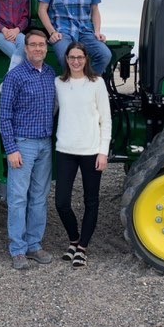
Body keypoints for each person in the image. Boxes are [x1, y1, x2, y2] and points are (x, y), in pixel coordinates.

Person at [0, 30, 57, 270]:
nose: (38, 49)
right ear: (26, 48)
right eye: (33, 45)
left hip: (45, 144)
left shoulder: (50, 74)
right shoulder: (16, 76)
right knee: (18, 197)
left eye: (42, 45)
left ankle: (34, 245)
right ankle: (18, 249)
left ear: (46, 48)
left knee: (39, 198)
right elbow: (4, 116)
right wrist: (11, 149)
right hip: (23, 145)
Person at [54, 42, 111, 268]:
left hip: (90, 151)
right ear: (66, 60)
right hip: (65, 150)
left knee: (91, 201)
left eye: (80, 57)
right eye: (71, 57)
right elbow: (51, 111)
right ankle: (73, 239)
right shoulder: (59, 83)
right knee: (61, 202)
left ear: (86, 59)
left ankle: (82, 248)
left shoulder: (97, 83)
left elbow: (105, 119)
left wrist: (103, 152)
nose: (76, 61)